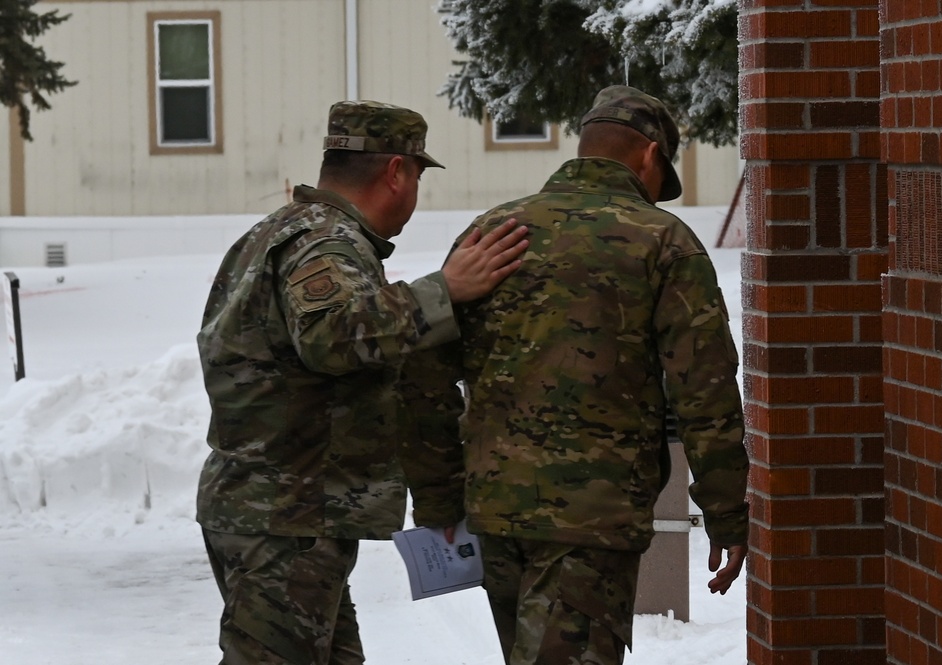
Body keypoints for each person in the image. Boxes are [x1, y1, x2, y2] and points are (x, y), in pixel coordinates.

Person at [416, 85, 750, 664]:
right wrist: (726, 511)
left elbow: (423, 376)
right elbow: (705, 390)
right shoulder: (662, 241)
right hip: (592, 519)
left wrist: (440, 500)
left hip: (495, 511)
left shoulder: (492, 232)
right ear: (649, 156)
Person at [195, 99, 529, 665]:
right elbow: (330, 339)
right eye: (419, 175)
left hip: (279, 510)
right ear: (396, 171)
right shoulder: (325, 241)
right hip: (286, 518)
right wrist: (442, 292)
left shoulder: (282, 232)